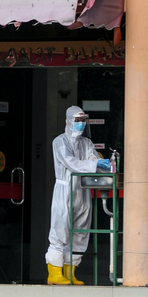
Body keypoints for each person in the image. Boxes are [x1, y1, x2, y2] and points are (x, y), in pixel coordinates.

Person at [45, 105, 112, 285]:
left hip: (83, 191)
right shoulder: (60, 142)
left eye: (83, 120)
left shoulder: (86, 143)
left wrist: (102, 164)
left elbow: (93, 159)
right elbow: (71, 163)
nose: (81, 123)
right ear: (68, 121)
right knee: (60, 229)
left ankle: (70, 272)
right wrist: (94, 165)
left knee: (81, 232)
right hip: (65, 190)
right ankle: (54, 273)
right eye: (77, 120)